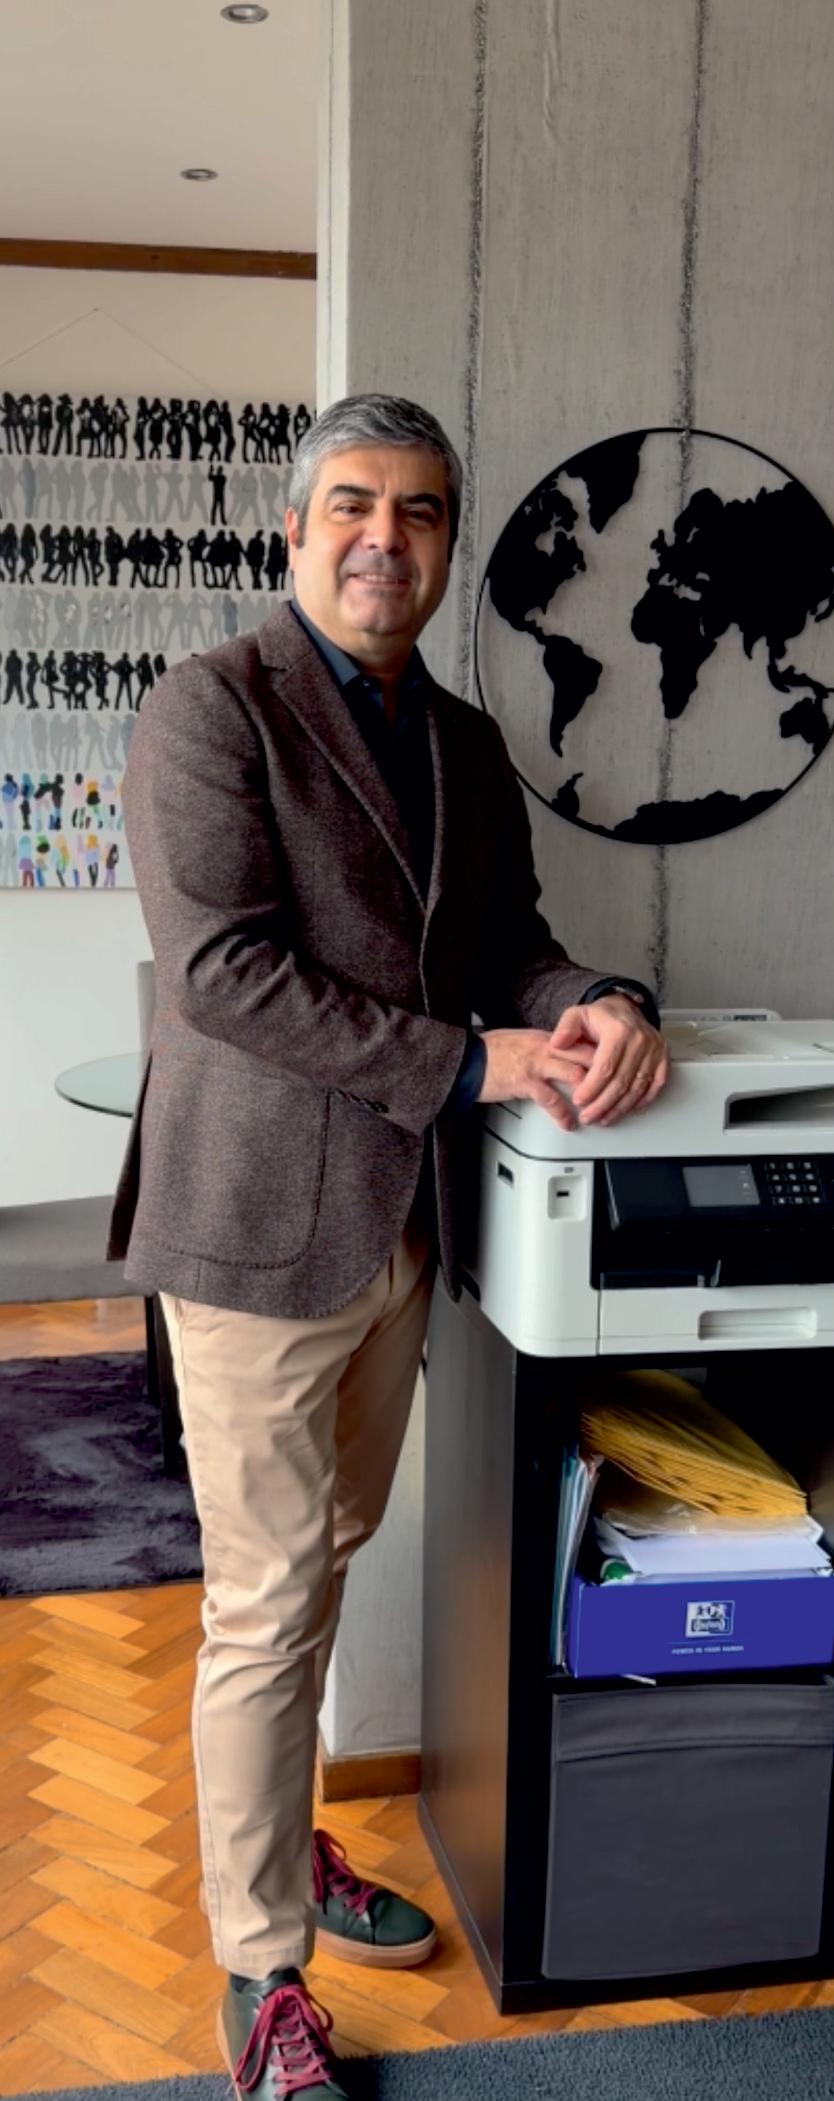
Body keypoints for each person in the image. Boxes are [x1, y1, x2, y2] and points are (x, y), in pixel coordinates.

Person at [108, 393, 668, 2101]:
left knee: (326, 1558)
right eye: (350, 503)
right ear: (293, 529)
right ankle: (260, 1970)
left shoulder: (465, 744)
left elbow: (511, 947)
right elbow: (223, 973)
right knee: (269, 1598)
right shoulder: (210, 708)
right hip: (255, 1232)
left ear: (443, 544)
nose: (382, 537)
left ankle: (285, 1839)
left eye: (418, 511)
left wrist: (597, 1003)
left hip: (404, 1225)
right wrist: (478, 1063)